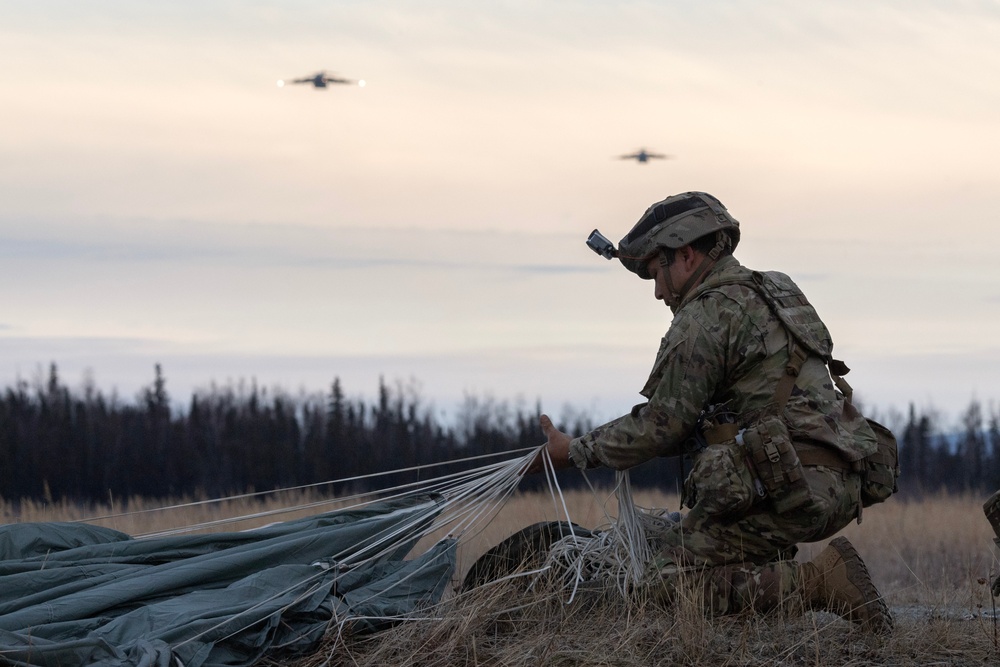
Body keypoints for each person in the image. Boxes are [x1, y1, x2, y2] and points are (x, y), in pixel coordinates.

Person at [526, 191, 892, 632]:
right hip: (838, 478)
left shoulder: (705, 316)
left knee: (651, 577)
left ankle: (821, 583)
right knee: (679, 538)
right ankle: (763, 572)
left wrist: (575, 451)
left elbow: (662, 425)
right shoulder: (774, 288)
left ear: (685, 255)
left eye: (655, 275)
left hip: (793, 488)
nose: (658, 292)